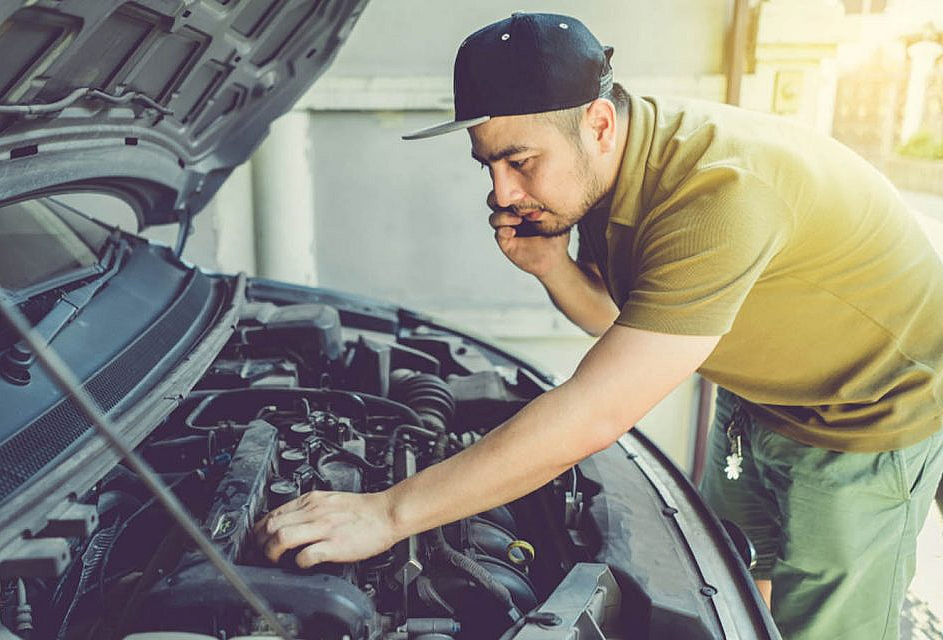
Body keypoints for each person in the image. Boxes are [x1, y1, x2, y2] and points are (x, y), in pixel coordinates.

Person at [254, 12, 943, 639]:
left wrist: (390, 512)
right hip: (753, 405)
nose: (500, 192)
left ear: (599, 125)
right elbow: (621, 322)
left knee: (830, 629)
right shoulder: (612, 168)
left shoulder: (715, 196)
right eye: (488, 163)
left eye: (519, 162)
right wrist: (552, 266)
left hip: (860, 425)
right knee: (738, 571)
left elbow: (596, 411)